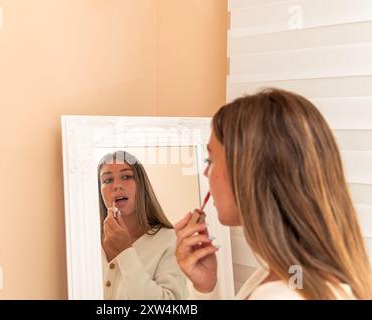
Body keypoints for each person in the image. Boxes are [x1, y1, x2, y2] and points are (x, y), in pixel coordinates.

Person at [175, 88, 372, 299]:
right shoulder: (290, 274)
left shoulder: (280, 292)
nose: (205, 173)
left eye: (210, 161)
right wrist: (206, 286)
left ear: (249, 173)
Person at [98, 151, 188, 299]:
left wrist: (125, 252)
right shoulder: (87, 246)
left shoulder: (170, 241)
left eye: (126, 176)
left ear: (141, 185)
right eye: (107, 180)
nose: (117, 186)